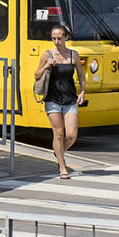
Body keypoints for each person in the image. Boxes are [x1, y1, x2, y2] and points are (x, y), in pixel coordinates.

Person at [33, 23, 87, 179]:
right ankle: (63, 167)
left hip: (70, 99)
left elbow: (81, 75)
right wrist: (46, 66)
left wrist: (82, 91)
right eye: (53, 39)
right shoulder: (47, 55)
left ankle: (58, 152)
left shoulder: (73, 55)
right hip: (53, 99)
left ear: (66, 38)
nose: (56, 42)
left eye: (59, 38)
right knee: (58, 133)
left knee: (71, 135)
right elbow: (36, 75)